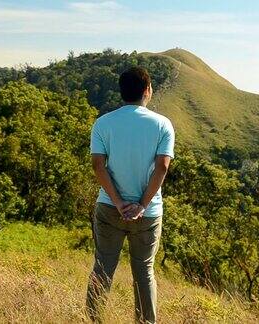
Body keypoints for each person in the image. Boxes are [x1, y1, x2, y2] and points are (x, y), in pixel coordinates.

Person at [86, 67, 175, 323]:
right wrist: (141, 205)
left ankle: (92, 320)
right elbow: (162, 167)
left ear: (121, 91)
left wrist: (118, 202)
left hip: (109, 208)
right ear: (147, 90)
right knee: (144, 273)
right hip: (148, 214)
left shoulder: (103, 123)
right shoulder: (162, 125)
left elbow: (97, 166)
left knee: (102, 269)